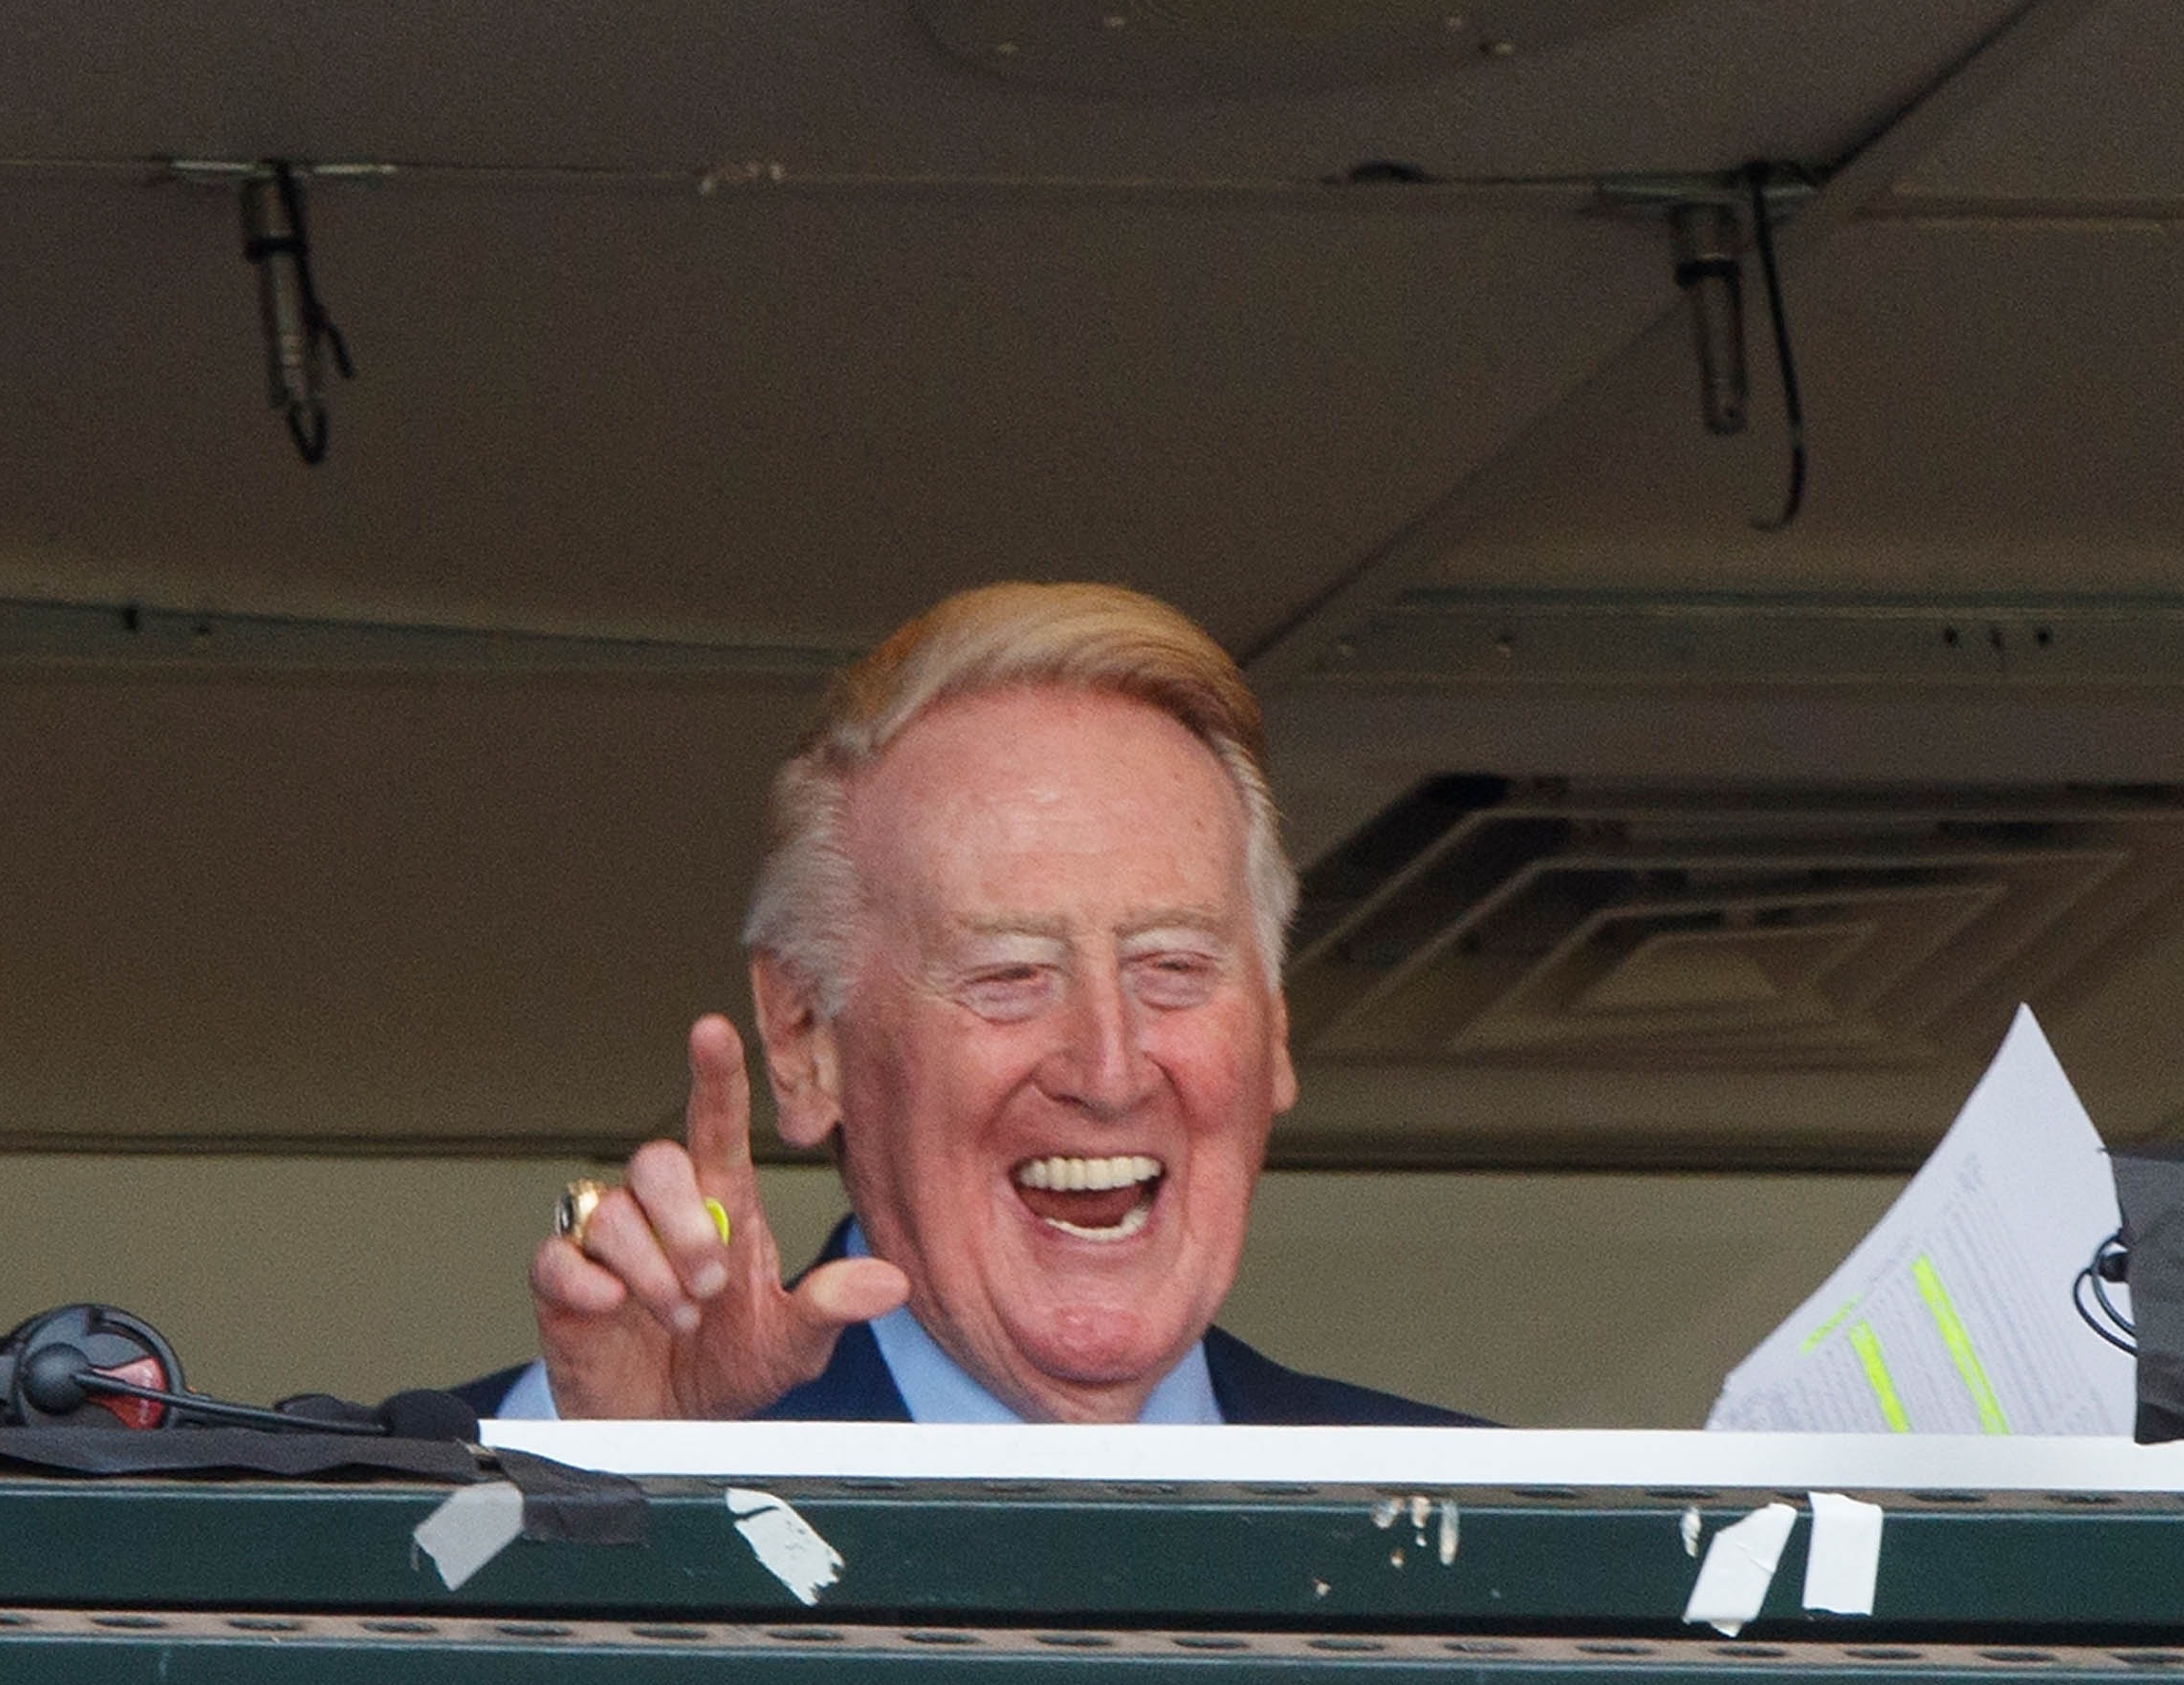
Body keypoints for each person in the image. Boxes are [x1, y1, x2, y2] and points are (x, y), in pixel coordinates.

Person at [464, 582, 1475, 1426]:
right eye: (1010, 975)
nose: (1109, 1070)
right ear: (804, 1038)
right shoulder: (615, 1451)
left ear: (1275, 1025)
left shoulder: (1518, 1543)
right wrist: (595, 1479)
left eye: (1172, 967)